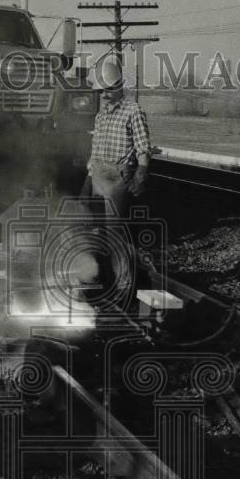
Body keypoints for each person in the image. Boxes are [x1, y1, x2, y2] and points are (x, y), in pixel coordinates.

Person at [83, 55, 152, 301]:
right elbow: (95, 151)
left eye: (108, 90)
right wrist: (89, 179)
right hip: (98, 174)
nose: (104, 95)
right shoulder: (101, 116)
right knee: (95, 230)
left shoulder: (133, 111)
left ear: (119, 86)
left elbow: (143, 147)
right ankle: (101, 279)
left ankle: (124, 287)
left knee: (114, 233)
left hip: (118, 177)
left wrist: (141, 173)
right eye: (100, 91)